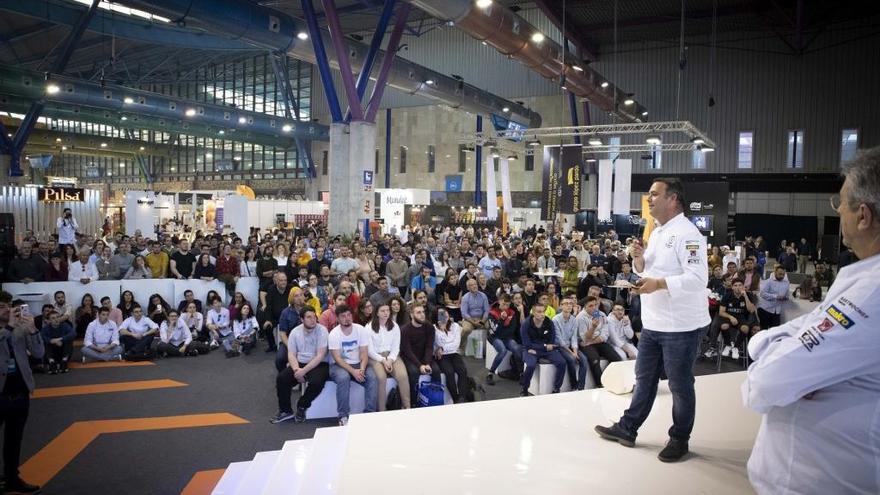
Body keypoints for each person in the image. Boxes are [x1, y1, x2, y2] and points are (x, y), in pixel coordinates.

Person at [743, 147, 880, 494]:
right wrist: (778, 348)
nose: (837, 212)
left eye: (840, 204)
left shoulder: (869, 296)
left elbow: (767, 383)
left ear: (863, 215)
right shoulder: (862, 282)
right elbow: (798, 330)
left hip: (823, 480)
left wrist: (773, 357)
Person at [594, 177, 709, 463]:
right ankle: (627, 428)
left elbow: (697, 279)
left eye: (654, 194)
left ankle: (680, 439)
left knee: (680, 386)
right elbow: (649, 270)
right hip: (654, 322)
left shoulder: (688, 233)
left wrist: (657, 283)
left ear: (673, 199)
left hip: (680, 326)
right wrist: (640, 261)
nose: (648, 198)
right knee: (643, 380)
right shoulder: (657, 231)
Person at [0, 293, 44, 494]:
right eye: (2, 306)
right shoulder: (9, 328)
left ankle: (11, 478)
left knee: (14, 439)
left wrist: (33, 330)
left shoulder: (20, 327)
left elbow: (38, 353)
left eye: (8, 305)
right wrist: (8, 326)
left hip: (20, 391)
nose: (7, 310)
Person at [272, 307, 330, 424]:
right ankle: (286, 411)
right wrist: (296, 370)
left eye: (314, 317)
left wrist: (303, 372)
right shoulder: (295, 332)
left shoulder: (322, 330)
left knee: (317, 382)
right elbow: (291, 354)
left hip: (319, 363)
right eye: (309, 317)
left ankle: (302, 405)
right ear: (302, 319)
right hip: (299, 363)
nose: (313, 320)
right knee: (282, 379)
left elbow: (320, 356)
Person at [328, 304, 378, 426]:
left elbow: (364, 353)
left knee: (372, 377)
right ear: (338, 319)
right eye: (343, 316)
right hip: (339, 365)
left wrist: (361, 368)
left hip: (358, 364)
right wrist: (353, 372)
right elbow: (338, 359)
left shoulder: (360, 329)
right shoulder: (334, 334)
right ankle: (343, 416)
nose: (347, 318)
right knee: (343, 378)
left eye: (349, 315)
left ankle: (370, 413)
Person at [367, 302, 411, 411]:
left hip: (392, 355)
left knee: (403, 376)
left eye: (387, 310)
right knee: (381, 378)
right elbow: (370, 350)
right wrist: (383, 360)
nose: (386, 313)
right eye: (382, 311)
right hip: (375, 357)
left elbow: (396, 347)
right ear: (377, 313)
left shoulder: (395, 326)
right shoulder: (368, 327)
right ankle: (382, 410)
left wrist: (390, 360)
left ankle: (407, 406)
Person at [519, 302, 566, 396]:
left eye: (543, 311)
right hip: (530, 349)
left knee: (562, 362)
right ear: (533, 312)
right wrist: (544, 346)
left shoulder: (549, 322)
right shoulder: (526, 324)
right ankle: (524, 389)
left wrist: (540, 348)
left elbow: (551, 341)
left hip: (544, 350)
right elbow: (527, 344)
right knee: (531, 365)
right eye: (539, 312)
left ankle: (557, 388)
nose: (542, 314)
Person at [576, 296, 621, 386]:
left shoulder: (602, 314)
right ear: (585, 307)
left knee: (617, 359)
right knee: (595, 360)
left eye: (596, 305)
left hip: (597, 341)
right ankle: (600, 384)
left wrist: (594, 341)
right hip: (585, 344)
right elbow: (585, 339)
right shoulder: (580, 317)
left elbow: (605, 333)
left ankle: (607, 378)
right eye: (591, 306)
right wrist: (593, 327)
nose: (594, 308)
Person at [400, 304, 440, 404]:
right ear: (411, 315)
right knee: (414, 372)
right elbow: (407, 350)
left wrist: (427, 363)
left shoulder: (429, 327)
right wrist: (419, 365)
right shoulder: (405, 330)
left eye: (423, 312)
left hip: (425, 356)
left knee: (436, 370)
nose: (422, 315)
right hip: (410, 357)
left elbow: (429, 346)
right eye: (418, 312)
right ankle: (414, 402)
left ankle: (436, 399)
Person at [433, 308, 471, 403]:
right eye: (440, 314)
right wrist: (441, 328)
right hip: (442, 356)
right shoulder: (434, 328)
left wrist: (442, 348)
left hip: (454, 353)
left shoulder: (455, 326)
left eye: (445, 313)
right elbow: (437, 343)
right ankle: (455, 398)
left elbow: (456, 344)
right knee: (449, 372)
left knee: (462, 370)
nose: (444, 315)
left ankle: (462, 397)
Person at [486, 294, 523, 384]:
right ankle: (490, 373)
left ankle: (521, 373)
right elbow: (495, 330)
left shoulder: (512, 313)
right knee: (502, 351)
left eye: (508, 305)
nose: (505, 307)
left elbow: (512, 329)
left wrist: (503, 330)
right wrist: (502, 320)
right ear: (499, 301)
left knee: (517, 348)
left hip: (507, 337)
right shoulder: (492, 312)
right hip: (494, 337)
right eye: (504, 304)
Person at [553, 297, 588, 390]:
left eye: (570, 304)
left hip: (571, 346)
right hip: (560, 347)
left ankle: (581, 387)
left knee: (584, 360)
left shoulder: (574, 319)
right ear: (561, 306)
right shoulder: (555, 320)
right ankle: (574, 385)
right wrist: (572, 353)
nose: (569, 305)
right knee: (572, 359)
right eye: (566, 303)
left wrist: (575, 351)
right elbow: (560, 340)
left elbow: (574, 338)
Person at [40, 309, 76, 374]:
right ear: (49, 320)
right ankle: (52, 363)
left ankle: (64, 362)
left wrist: (60, 339)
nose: (56, 319)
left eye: (57, 317)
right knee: (46, 342)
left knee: (69, 340)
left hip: (63, 352)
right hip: (51, 353)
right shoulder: (46, 328)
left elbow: (73, 334)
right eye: (53, 318)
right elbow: (41, 337)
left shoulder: (65, 325)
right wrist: (51, 341)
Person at [757, 264, 790, 330]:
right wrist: (775, 296)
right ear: (775, 273)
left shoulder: (786, 283)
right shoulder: (769, 281)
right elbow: (762, 294)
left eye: (783, 274)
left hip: (777, 311)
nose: (781, 276)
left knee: (774, 331)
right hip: (765, 309)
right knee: (764, 331)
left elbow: (787, 294)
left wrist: (786, 297)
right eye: (780, 274)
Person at [459, 277, 489, 344]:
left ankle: (480, 349)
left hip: (481, 318)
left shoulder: (483, 296)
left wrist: (482, 321)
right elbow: (464, 313)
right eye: (471, 285)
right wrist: (473, 322)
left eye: (475, 284)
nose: (474, 286)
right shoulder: (465, 297)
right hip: (469, 319)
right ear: (468, 288)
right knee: (466, 329)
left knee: (487, 326)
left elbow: (486, 310)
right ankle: (460, 345)